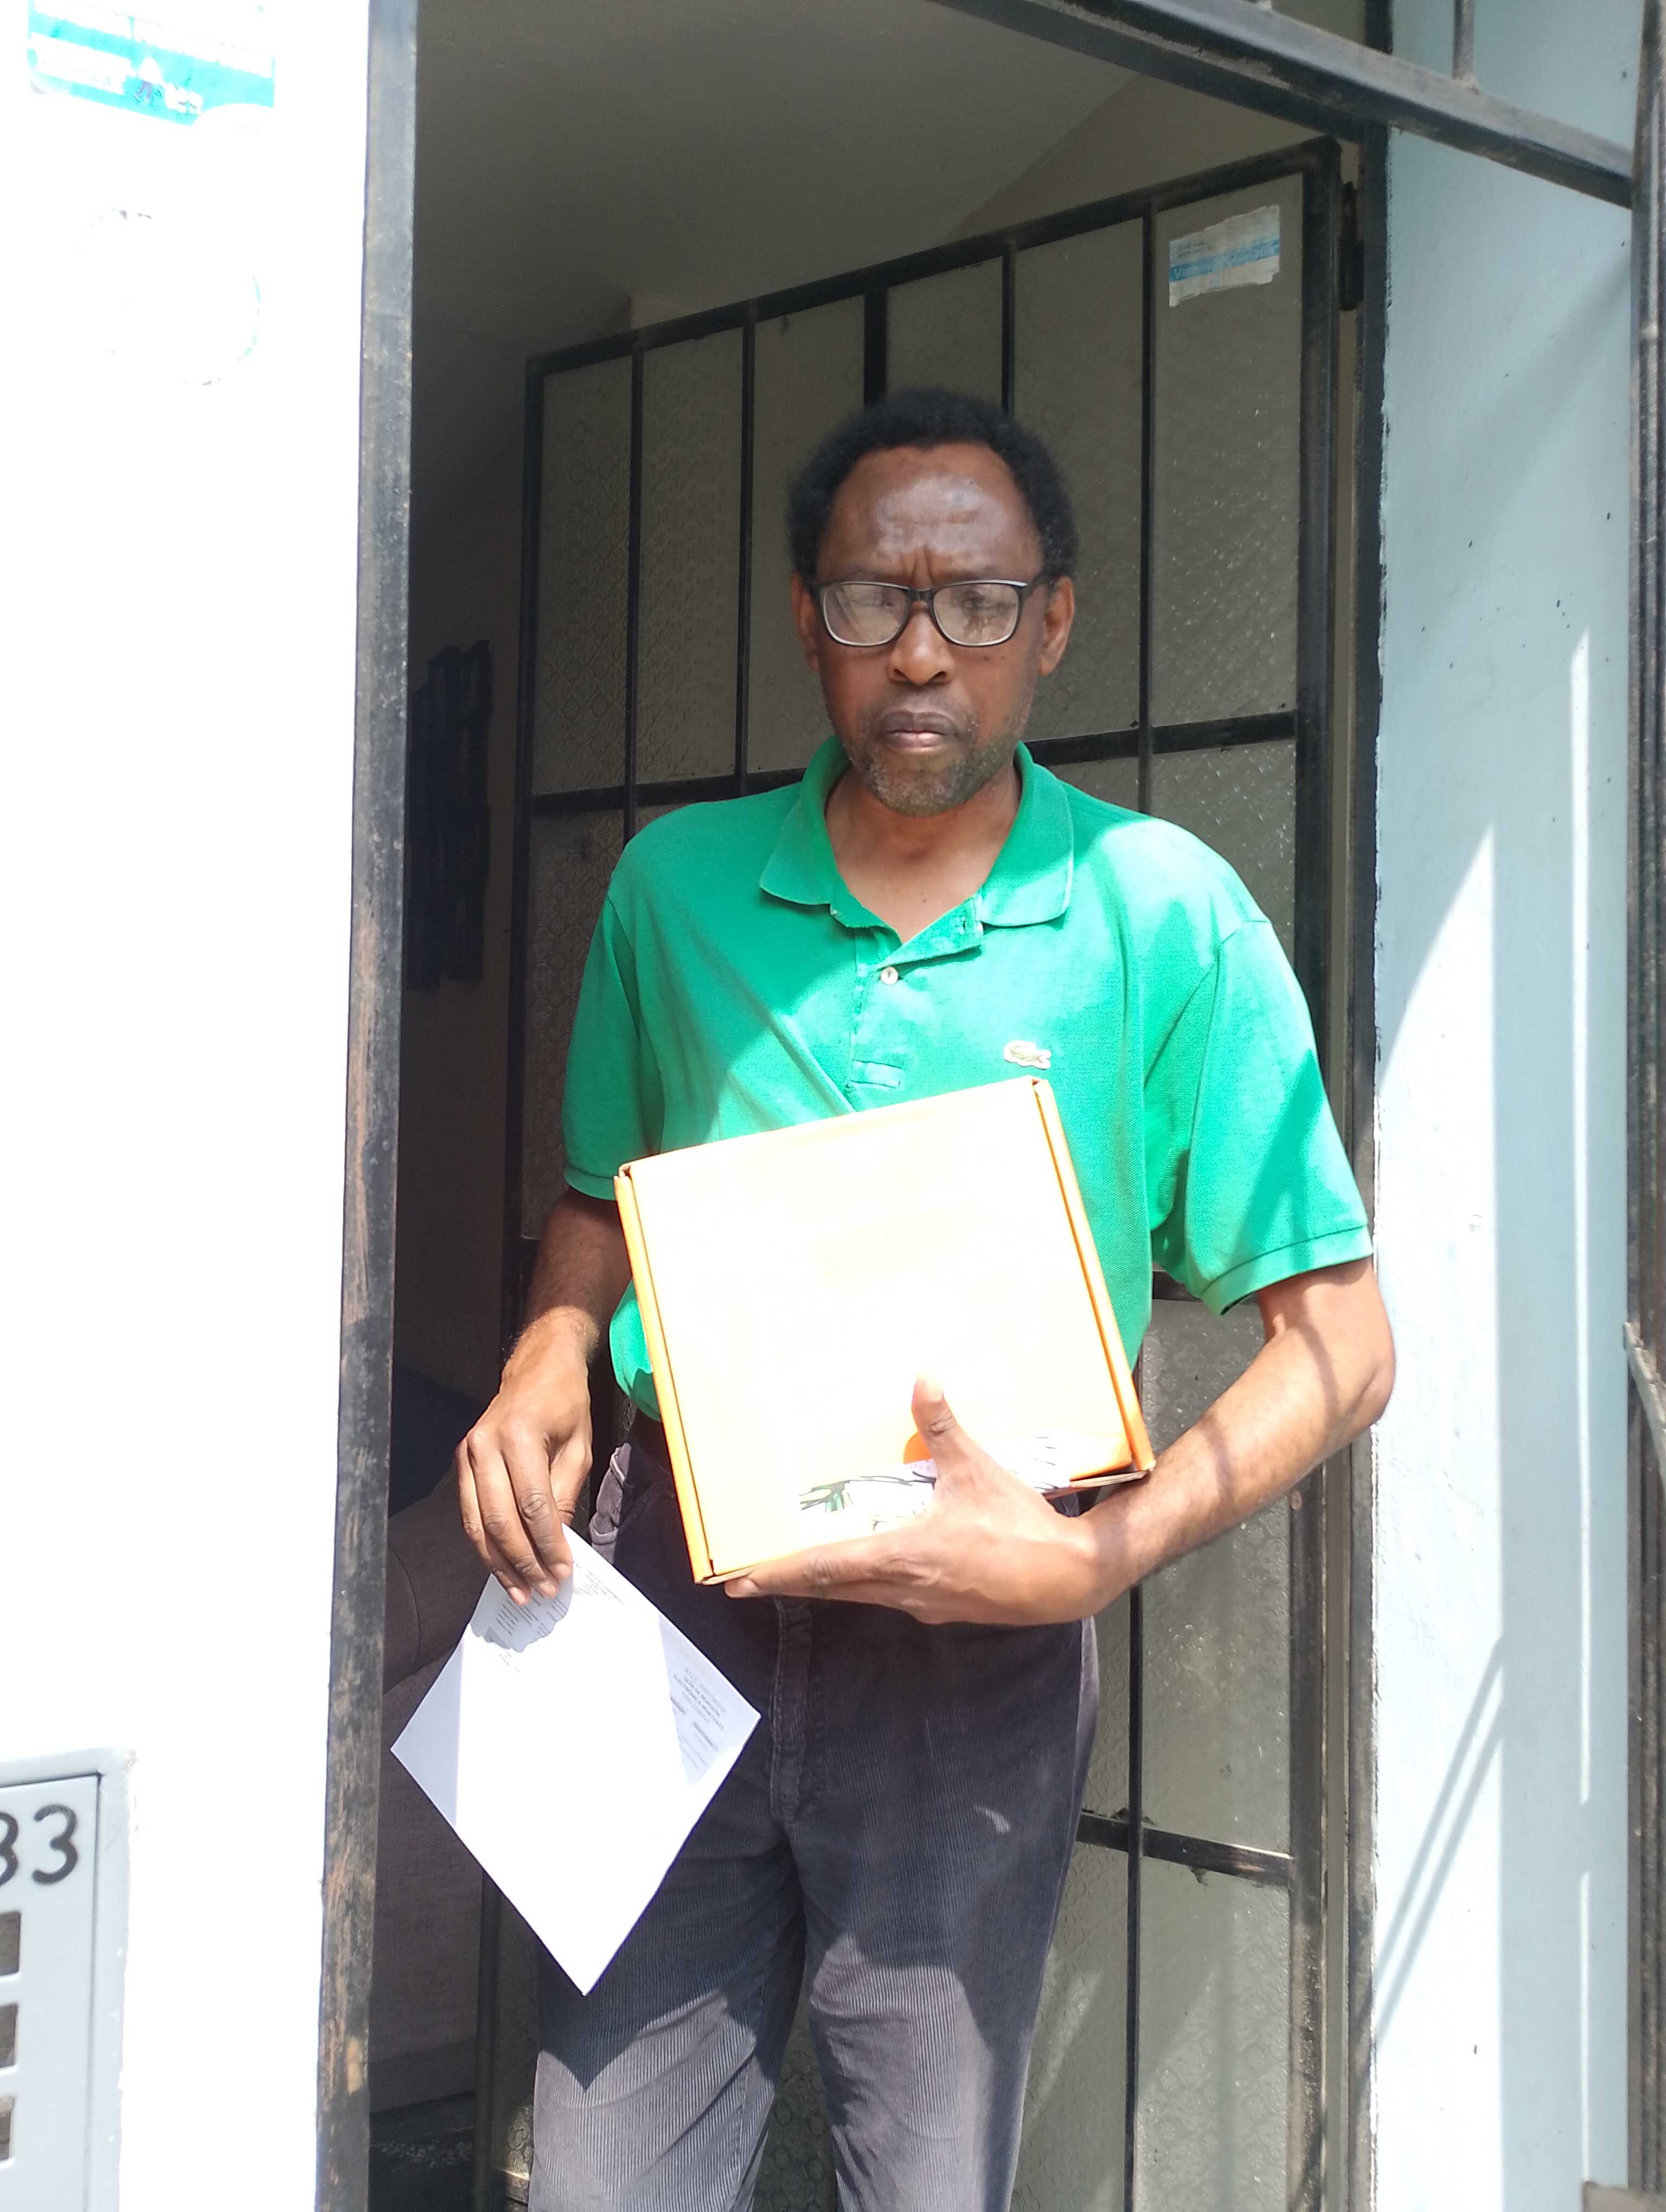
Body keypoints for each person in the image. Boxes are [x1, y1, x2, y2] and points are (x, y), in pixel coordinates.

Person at [455, 386, 1394, 2211]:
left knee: (926, 2183)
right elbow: (600, 1196)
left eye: (976, 602)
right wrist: (552, 1344)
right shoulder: (675, 890)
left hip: (981, 1647)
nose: (920, 651)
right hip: (672, 1599)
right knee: (599, 2178)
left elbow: (1345, 1348)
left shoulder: (1159, 914)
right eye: (872, 597)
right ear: (808, 619)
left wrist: (1097, 1561)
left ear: (1053, 623)